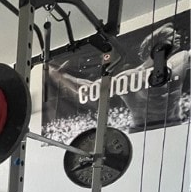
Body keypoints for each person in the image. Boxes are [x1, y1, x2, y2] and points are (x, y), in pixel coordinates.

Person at [47, 22, 190, 134]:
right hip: (141, 132)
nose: (177, 38)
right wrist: (60, 76)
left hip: (175, 127)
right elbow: (87, 89)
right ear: (158, 44)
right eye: (171, 36)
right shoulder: (129, 78)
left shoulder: (181, 60)